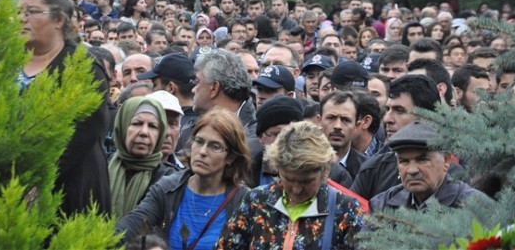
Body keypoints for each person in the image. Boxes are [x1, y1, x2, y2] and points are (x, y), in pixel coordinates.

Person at [18, 0, 111, 215]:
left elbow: (82, 134)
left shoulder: (84, 67)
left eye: (31, 12)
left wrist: (39, 179)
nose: (22, 18)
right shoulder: (6, 62)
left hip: (69, 189)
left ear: (59, 20)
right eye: (19, 12)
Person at [215, 121, 365, 249]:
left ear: (325, 171)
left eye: (306, 181)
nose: (296, 189)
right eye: (288, 179)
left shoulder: (346, 210)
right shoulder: (256, 200)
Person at [116, 109, 250, 249]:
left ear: (231, 157)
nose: (202, 152)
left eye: (215, 146)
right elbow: (126, 230)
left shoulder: (244, 201)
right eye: (199, 141)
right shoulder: (168, 189)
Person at [369, 121, 485, 211]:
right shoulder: (382, 205)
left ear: (446, 161)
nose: (412, 170)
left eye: (422, 160)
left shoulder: (476, 207)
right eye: (404, 161)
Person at [109, 96, 176, 218]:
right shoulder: (102, 168)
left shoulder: (169, 178)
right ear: (122, 126)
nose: (144, 132)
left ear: (160, 134)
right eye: (137, 123)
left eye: (152, 126)